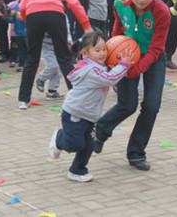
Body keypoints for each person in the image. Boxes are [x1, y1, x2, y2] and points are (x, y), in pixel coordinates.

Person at [94, 0, 171, 171]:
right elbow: (118, 30)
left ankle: (136, 153)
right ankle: (99, 131)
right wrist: (113, 56)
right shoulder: (120, 3)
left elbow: (156, 49)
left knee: (152, 106)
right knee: (127, 105)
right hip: (125, 56)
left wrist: (136, 69)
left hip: (153, 58)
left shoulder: (162, 12)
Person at [48, 30, 132, 182]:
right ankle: (59, 139)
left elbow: (108, 76)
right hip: (75, 114)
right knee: (75, 144)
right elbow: (110, 79)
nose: (103, 54)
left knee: (89, 144)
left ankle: (77, 170)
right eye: (97, 50)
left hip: (90, 117)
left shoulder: (98, 67)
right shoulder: (90, 70)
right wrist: (123, 65)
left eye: (104, 49)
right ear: (85, 53)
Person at [17, 0, 92, 110]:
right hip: (54, 14)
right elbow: (73, 2)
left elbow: (23, 6)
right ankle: (77, 97)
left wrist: (28, 20)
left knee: (32, 58)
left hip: (33, 14)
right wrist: (86, 25)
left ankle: (23, 100)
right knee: (64, 57)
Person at [35, 16, 72, 100]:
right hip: (47, 47)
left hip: (60, 46)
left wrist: (69, 40)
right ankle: (41, 79)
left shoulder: (63, 16)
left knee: (58, 70)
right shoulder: (43, 16)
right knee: (53, 66)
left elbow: (67, 31)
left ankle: (52, 91)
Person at [7, 0, 26, 72]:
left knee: (29, 50)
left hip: (29, 33)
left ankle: (29, 65)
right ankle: (21, 64)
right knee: (21, 50)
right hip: (18, 34)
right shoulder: (15, 8)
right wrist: (5, 17)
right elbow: (11, 20)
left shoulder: (31, 6)